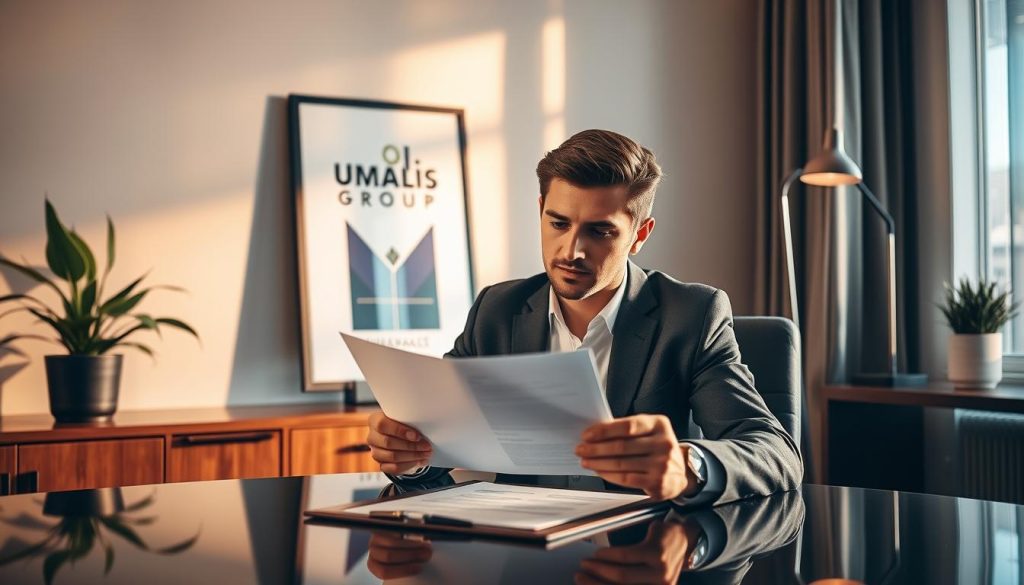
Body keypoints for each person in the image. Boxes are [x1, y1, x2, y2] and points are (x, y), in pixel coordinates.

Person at [366, 129, 803, 505]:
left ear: (639, 234)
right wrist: (409, 457)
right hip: (522, 556)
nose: (571, 251)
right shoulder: (496, 312)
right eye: (558, 223)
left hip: (643, 556)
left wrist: (688, 466)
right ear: (540, 210)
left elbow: (776, 453)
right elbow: (436, 446)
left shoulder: (691, 316)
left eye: (600, 231)